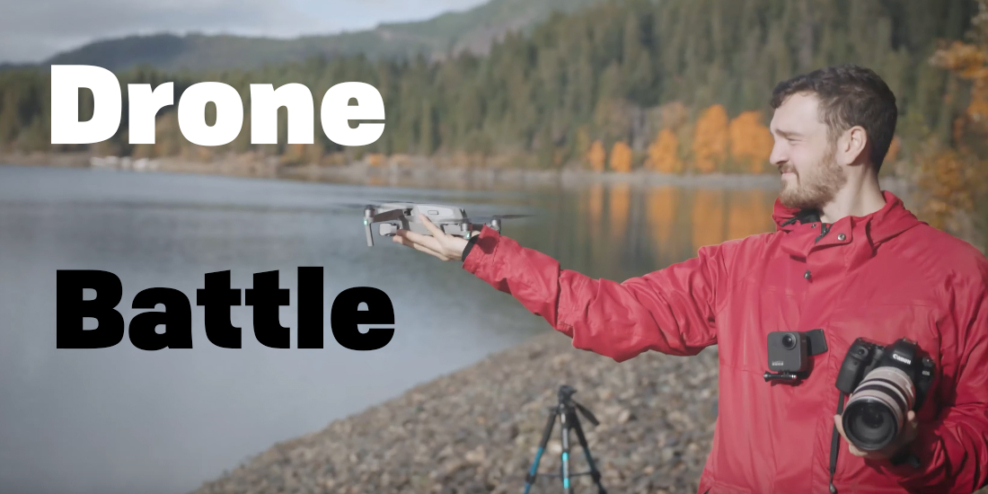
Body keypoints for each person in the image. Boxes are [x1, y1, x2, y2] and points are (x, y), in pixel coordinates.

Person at [392, 64, 988, 494]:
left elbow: (979, 431)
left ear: (853, 143)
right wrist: (482, 251)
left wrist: (913, 453)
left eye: (791, 139)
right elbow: (608, 315)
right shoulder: (736, 266)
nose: (773, 156)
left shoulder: (957, 273)